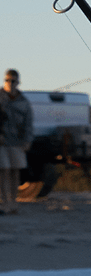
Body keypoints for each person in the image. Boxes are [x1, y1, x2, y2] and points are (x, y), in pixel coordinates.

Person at [0, 68, 34, 214]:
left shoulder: (24, 102)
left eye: (13, 81)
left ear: (18, 82)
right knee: (4, 171)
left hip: (17, 142)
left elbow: (28, 123)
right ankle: (4, 202)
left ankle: (13, 203)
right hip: (1, 142)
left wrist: (27, 141)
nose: (10, 83)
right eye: (7, 80)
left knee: (15, 172)